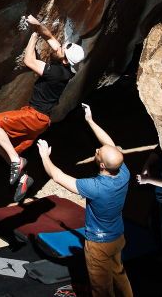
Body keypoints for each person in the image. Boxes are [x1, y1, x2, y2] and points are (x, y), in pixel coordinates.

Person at [36, 104, 133, 297]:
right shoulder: (123, 173)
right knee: (119, 273)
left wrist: (45, 156)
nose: (97, 149)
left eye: (98, 153)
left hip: (98, 243)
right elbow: (110, 145)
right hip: (117, 237)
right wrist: (90, 120)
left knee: (101, 289)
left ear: (103, 165)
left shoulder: (95, 187)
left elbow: (57, 176)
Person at [0, 15, 84, 196]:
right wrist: (38, 26)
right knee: (2, 146)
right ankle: (23, 178)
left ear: (65, 59)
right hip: (40, 121)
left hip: (34, 116)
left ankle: (16, 161)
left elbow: (28, 61)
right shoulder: (66, 68)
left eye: (61, 49)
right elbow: (52, 39)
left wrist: (33, 37)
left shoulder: (57, 73)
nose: (58, 47)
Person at [136, 147, 162, 254]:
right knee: (154, 224)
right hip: (160, 197)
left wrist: (147, 180)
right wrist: (147, 164)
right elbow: (159, 149)